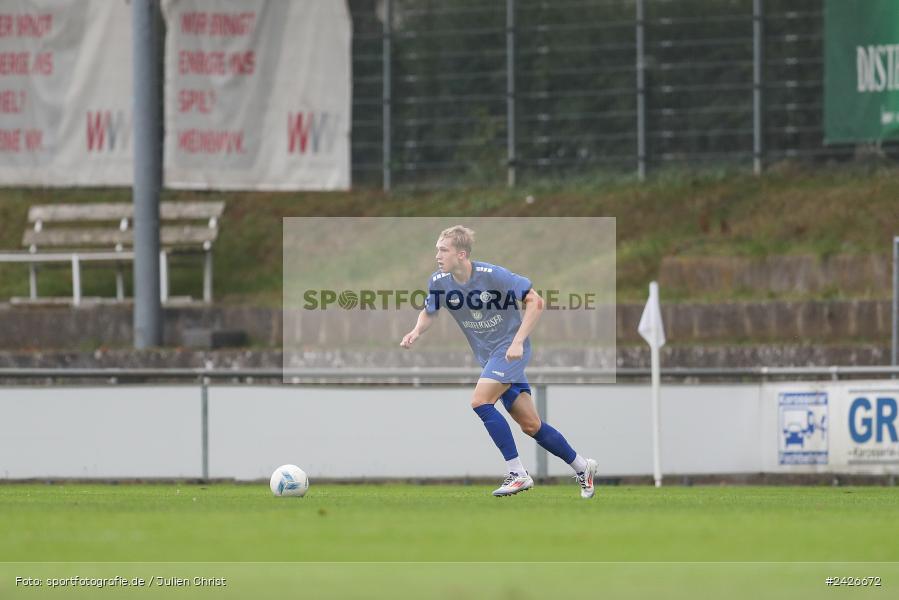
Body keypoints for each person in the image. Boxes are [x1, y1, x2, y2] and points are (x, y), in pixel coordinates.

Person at [400, 225, 597, 498]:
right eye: (437, 250)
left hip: (509, 351)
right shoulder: (439, 281)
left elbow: (535, 301)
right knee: (531, 425)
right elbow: (429, 311)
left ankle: (517, 473)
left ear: (462, 254)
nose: (437, 255)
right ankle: (582, 466)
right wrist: (416, 331)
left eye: (443, 250)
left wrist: (517, 341)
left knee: (480, 402)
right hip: (490, 357)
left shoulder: (492, 275)